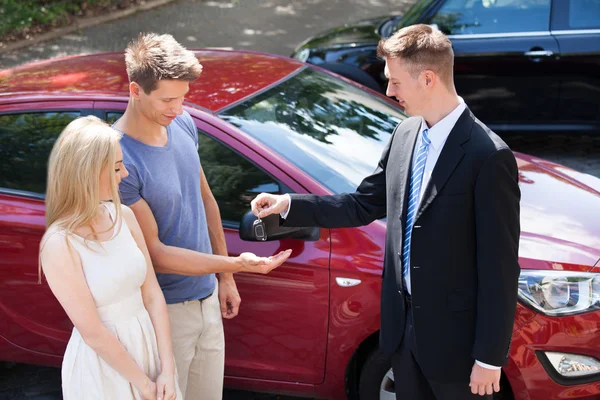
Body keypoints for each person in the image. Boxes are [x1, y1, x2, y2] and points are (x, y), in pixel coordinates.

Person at [251, 24, 521, 400]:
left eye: (395, 82)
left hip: (458, 350)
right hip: (402, 338)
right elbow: (363, 204)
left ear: (427, 79)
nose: (389, 91)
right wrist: (291, 205)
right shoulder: (404, 135)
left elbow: (501, 268)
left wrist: (489, 358)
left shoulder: (488, 156)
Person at [114, 33, 291, 400]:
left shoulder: (181, 123)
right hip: (163, 313)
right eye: (167, 99)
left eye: (182, 97)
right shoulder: (119, 161)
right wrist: (239, 264)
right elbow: (157, 254)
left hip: (206, 297)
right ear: (135, 90)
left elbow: (205, 200)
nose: (178, 109)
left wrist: (225, 278)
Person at [39, 116, 182, 400]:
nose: (125, 174)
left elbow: (152, 294)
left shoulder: (125, 217)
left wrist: (167, 367)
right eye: (117, 167)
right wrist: (143, 384)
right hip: (105, 368)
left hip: (149, 349)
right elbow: (92, 332)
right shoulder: (59, 244)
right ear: (87, 173)